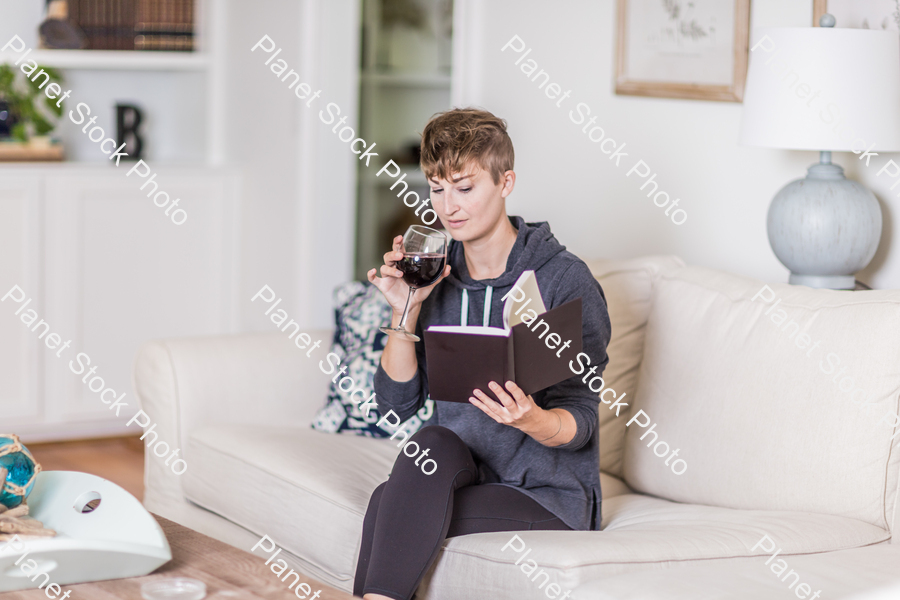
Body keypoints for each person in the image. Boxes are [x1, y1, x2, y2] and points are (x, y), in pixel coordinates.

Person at [354, 108, 611, 600]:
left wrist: (530, 418)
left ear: (505, 181)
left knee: (390, 503)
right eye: (436, 187)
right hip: (460, 475)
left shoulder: (563, 280)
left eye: (464, 188)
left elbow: (582, 421)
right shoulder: (435, 274)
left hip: (546, 496)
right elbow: (393, 407)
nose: (447, 206)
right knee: (428, 441)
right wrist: (406, 310)